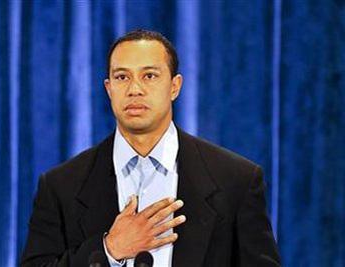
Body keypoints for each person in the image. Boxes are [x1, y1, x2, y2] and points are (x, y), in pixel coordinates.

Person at [21, 29, 281, 267]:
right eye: (122, 77)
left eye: (149, 76)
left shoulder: (235, 180)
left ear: (175, 86)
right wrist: (109, 249)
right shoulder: (61, 185)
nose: (135, 89)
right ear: (109, 89)